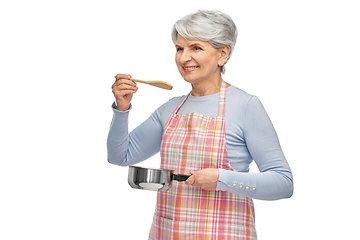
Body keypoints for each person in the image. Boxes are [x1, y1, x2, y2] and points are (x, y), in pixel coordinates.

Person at [107, 10, 293, 239]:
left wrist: (223, 179)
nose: (184, 58)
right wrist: (122, 109)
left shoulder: (246, 106)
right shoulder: (170, 109)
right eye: (179, 48)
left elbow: (284, 183)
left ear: (222, 53)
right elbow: (119, 156)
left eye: (195, 48)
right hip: (168, 232)